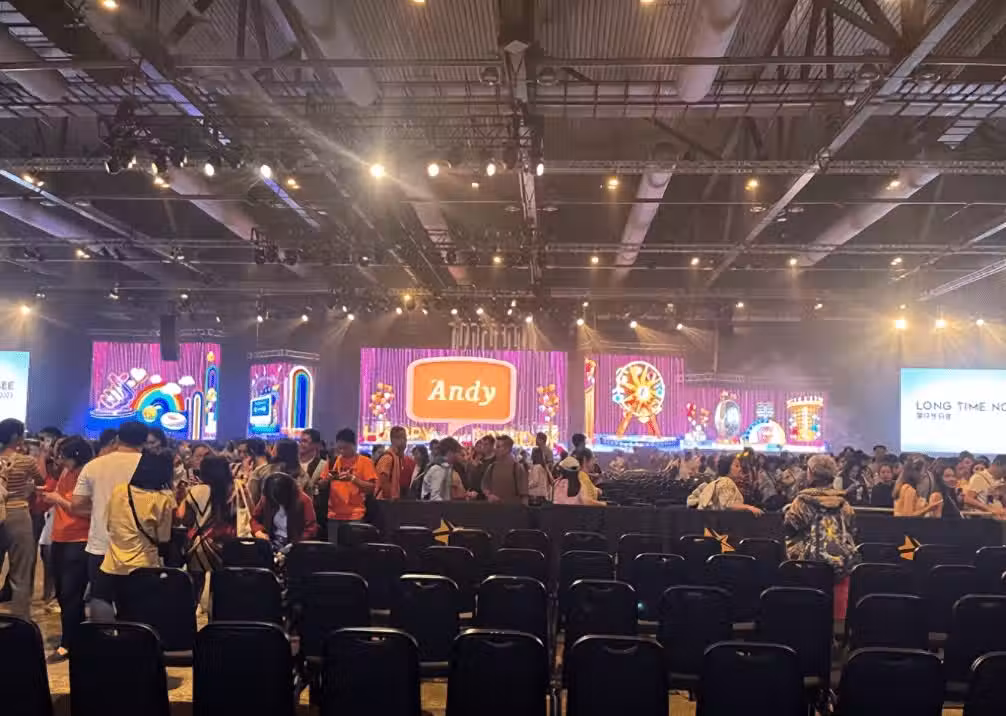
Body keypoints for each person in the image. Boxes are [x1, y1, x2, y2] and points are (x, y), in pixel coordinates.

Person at [71, 420, 148, 618]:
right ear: (145, 440)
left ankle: (103, 636)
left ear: (118, 438)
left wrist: (100, 509)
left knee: (101, 597)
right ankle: (133, 636)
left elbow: (77, 503)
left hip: (101, 544)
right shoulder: (151, 466)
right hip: (139, 547)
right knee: (136, 602)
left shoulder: (94, 465)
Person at [90, 449, 176, 619]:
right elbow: (164, 538)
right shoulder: (163, 499)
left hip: (113, 564)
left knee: (114, 607)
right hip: (143, 566)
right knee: (139, 617)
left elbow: (109, 524)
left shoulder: (120, 490)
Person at [783, 454, 859, 620]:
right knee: (838, 617)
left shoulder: (802, 502)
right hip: (840, 566)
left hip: (808, 568)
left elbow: (790, 527)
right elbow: (852, 529)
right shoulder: (843, 503)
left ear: (810, 473)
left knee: (809, 618)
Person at [40, 437, 93, 660]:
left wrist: (57, 499)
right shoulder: (66, 472)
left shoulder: (87, 475)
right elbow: (59, 494)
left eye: (63, 455)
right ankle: (75, 638)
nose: (59, 460)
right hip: (60, 537)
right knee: (63, 594)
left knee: (72, 594)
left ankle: (69, 642)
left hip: (79, 539)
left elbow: (86, 510)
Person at [0, 419, 44, 620]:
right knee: (21, 570)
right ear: (16, 437)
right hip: (18, 514)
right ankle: (19, 621)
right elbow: (41, 480)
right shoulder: (26, 461)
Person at [178, 455, 236, 604]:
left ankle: (194, 614)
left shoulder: (196, 490)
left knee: (195, 588)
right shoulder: (233, 490)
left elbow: (183, 517)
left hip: (198, 546)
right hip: (225, 545)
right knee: (221, 590)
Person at [326, 428, 376, 530]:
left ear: (354, 445)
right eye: (339, 448)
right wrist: (328, 479)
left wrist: (352, 479)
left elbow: (371, 488)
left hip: (356, 515)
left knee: (354, 540)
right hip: (333, 515)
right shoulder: (333, 461)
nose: (342, 451)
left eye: (345, 448)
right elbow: (321, 484)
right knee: (333, 541)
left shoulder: (365, 462)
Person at [251, 472, 318, 548]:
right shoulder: (267, 498)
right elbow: (255, 519)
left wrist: (295, 543)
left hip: (295, 544)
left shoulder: (303, 500)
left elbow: (311, 528)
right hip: (271, 541)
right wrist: (258, 531)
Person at [688, 453, 763, 515]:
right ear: (727, 467)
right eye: (736, 466)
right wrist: (749, 507)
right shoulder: (726, 481)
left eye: (740, 466)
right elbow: (728, 505)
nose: (740, 469)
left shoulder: (723, 480)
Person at [483, 435, 529, 505]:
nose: (495, 449)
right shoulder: (492, 467)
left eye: (498, 447)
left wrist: (523, 508)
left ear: (507, 449)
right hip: (494, 509)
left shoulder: (517, 468)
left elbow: (524, 494)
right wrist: (489, 495)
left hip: (512, 509)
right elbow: (485, 485)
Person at [421, 437, 462, 502]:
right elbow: (434, 497)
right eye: (457, 452)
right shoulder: (438, 469)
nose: (458, 455)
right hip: (434, 508)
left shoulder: (446, 467)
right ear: (450, 452)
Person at [375, 426, 405, 500]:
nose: (404, 441)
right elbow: (383, 480)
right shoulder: (388, 457)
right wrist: (388, 500)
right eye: (401, 438)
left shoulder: (397, 457)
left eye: (405, 438)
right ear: (393, 440)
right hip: (383, 501)